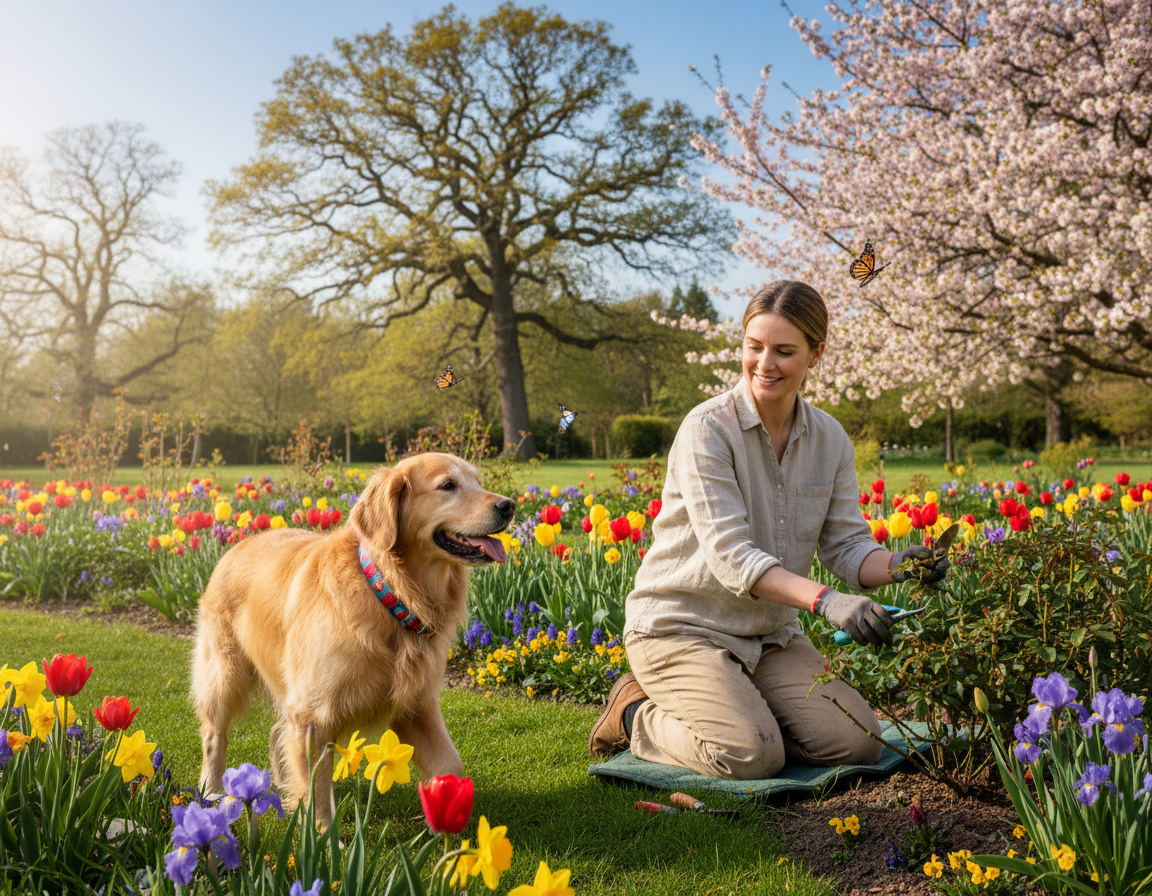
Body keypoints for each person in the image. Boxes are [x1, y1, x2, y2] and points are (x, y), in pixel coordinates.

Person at [588, 281, 949, 779]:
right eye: (754, 347)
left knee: (858, 744)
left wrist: (898, 566)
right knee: (751, 755)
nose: (764, 364)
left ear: (815, 355)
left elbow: (846, 545)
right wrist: (828, 601)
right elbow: (733, 556)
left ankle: (739, 707)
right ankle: (633, 714)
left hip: (769, 635)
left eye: (784, 351)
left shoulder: (830, 439)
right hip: (682, 628)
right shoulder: (707, 429)